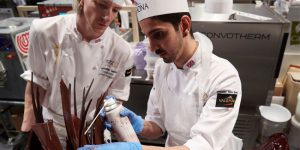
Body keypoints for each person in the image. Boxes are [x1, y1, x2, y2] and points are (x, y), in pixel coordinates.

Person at [79, 0, 243, 149]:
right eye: (147, 36)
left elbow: (204, 145)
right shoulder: (162, 68)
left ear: (184, 25)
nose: (151, 48)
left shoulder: (224, 77)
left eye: (158, 34)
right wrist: (135, 123)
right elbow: (158, 127)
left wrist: (136, 149)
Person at [13, 0, 134, 149]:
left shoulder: (121, 50)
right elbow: (37, 83)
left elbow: (116, 97)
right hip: (51, 127)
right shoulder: (44, 31)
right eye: (101, 5)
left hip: (90, 130)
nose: (107, 16)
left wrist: (123, 137)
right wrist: (26, 131)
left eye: (115, 10)